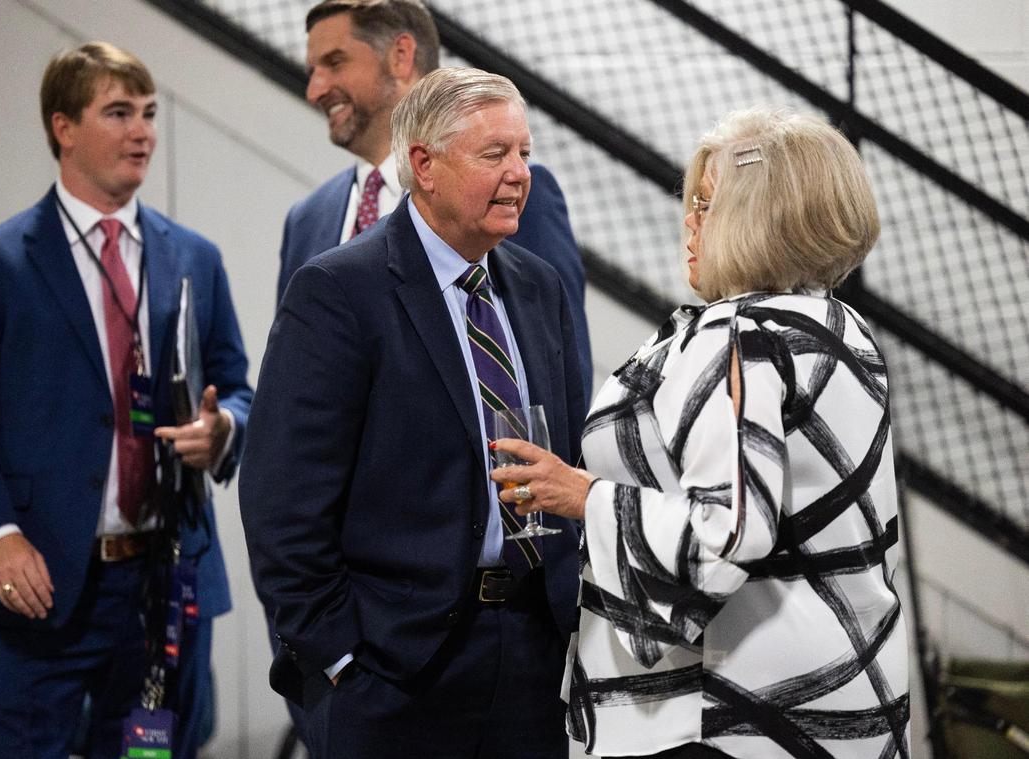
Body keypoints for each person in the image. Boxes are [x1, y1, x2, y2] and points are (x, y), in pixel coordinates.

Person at [491, 107, 910, 758]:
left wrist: (581, 495)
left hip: (724, 715)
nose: (689, 223)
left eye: (709, 205)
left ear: (763, 217)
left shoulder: (738, 335)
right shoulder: (841, 329)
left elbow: (729, 533)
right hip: (846, 694)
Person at [240, 67, 586, 758]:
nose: (520, 173)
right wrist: (341, 659)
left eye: (524, 151)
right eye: (496, 154)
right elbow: (282, 501)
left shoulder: (538, 288)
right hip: (394, 672)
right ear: (423, 165)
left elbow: (570, 451)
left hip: (531, 659)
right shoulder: (339, 291)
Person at [0, 42, 252, 759]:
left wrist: (222, 429)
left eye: (150, 114)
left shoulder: (194, 256)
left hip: (164, 588)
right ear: (63, 127)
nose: (143, 132)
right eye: (119, 112)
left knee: (149, 753)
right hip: (41, 588)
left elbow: (240, 387)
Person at [281, 0, 593, 397]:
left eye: (335, 62)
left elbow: (560, 372)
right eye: (312, 72)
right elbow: (294, 380)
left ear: (400, 56)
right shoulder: (308, 218)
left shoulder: (509, 193)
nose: (315, 90)